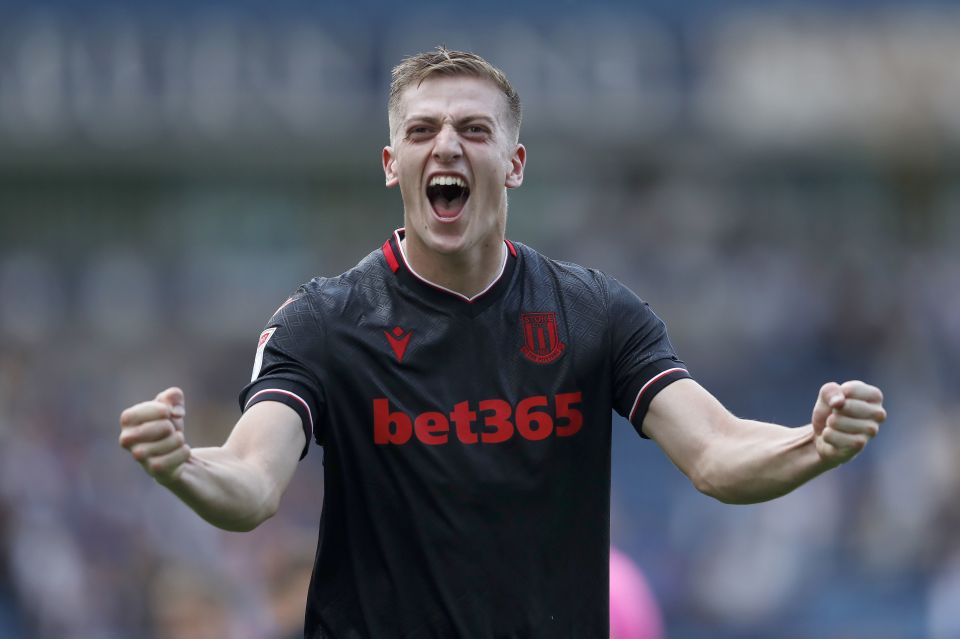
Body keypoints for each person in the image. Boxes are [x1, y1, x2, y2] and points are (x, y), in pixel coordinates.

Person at [118, 47, 887, 638]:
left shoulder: (596, 313)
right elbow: (252, 481)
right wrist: (185, 464)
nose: (446, 145)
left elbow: (716, 453)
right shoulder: (323, 322)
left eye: (473, 130)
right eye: (422, 130)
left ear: (513, 164)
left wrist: (812, 444)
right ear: (394, 165)